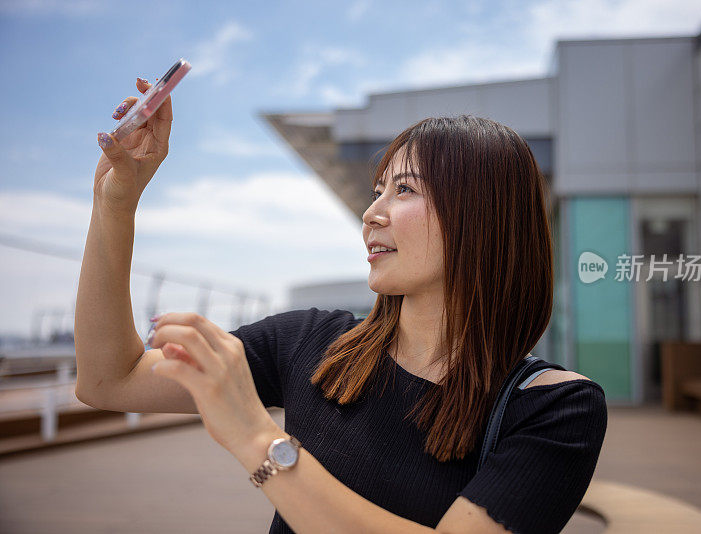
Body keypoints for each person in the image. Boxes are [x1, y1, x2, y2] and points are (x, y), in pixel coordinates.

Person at [75, 80, 607, 534]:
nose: (371, 214)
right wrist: (115, 204)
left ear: (481, 218)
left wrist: (256, 437)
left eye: (404, 189)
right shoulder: (310, 342)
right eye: (377, 190)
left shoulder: (555, 410)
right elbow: (108, 380)